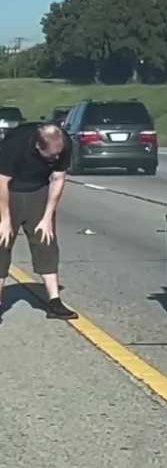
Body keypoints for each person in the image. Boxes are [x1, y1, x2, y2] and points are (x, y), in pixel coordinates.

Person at [0, 121, 78, 320]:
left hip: (38, 190)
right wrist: (5, 219)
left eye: (58, 153)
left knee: (46, 242)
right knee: (2, 243)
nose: (56, 158)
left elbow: (58, 178)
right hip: (9, 191)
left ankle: (54, 302)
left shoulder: (63, 143)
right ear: (38, 146)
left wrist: (46, 217)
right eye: (51, 155)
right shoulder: (15, 144)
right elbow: (2, 181)